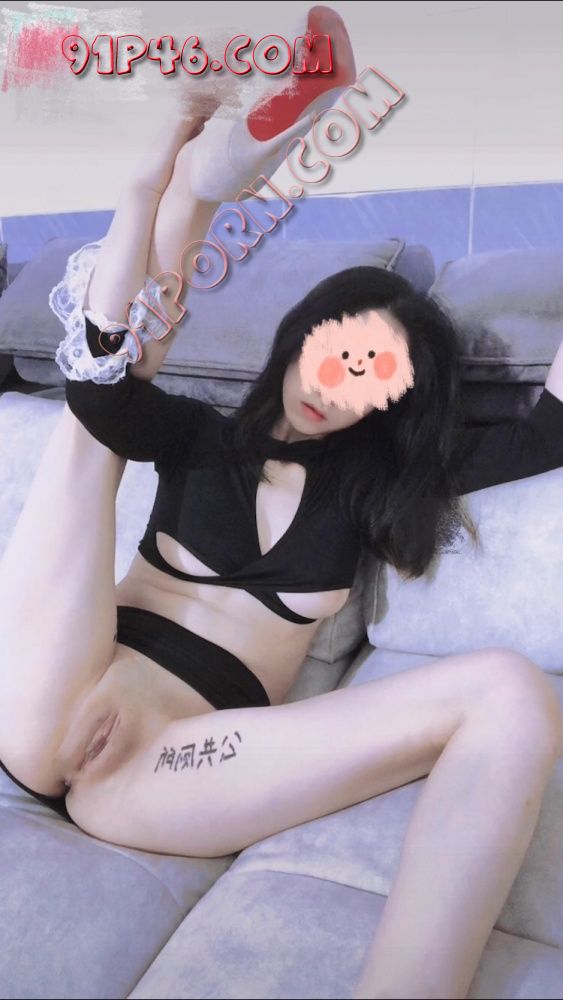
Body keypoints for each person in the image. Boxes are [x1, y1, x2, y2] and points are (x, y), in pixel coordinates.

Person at [1, 93, 563, 1000]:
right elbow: (99, 392)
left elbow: (549, 431)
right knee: (90, 427)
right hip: (52, 693)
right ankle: (188, 188)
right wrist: (146, 190)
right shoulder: (196, 435)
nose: (335, 386)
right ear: (300, 337)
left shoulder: (373, 489)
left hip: (172, 768)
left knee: (511, 691)